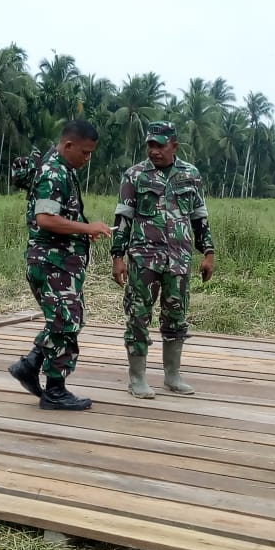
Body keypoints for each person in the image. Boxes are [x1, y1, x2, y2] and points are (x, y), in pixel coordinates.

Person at [8, 119, 111, 410]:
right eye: (86, 152)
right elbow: (46, 219)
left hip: (58, 263)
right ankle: (55, 391)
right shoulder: (54, 174)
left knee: (64, 321)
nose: (88, 159)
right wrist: (87, 228)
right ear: (68, 145)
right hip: (53, 263)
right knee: (67, 322)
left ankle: (30, 365)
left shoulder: (61, 169)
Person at [110, 120, 215, 399]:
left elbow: (199, 217)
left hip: (178, 261)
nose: (154, 151)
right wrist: (117, 257)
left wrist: (208, 252)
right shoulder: (135, 175)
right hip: (144, 259)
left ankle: (172, 376)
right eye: (150, 145)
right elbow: (123, 219)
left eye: (160, 145)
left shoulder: (190, 175)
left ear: (174, 146)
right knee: (138, 316)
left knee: (176, 316)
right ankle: (137, 378)